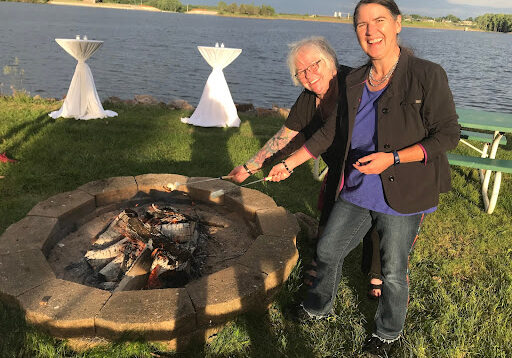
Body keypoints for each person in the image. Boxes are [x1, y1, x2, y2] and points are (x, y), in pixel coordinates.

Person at [295, 1, 460, 356]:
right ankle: (318, 307)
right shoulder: (353, 79)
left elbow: (447, 134)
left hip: (405, 191)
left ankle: (387, 334)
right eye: (361, 25)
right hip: (358, 187)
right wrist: (290, 162)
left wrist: (394, 158)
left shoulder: (426, 74)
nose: (371, 31)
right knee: (327, 249)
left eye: (379, 20)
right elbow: (329, 132)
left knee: (393, 271)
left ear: (398, 24)